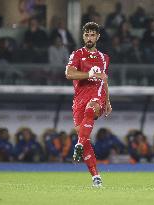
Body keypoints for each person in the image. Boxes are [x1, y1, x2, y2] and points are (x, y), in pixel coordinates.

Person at [65, 22, 112, 187]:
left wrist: (107, 101)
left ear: (97, 37)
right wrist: (88, 74)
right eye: (87, 35)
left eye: (92, 35)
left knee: (92, 108)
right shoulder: (77, 54)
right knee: (84, 139)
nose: (89, 38)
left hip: (95, 95)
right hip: (79, 99)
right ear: (83, 36)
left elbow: (104, 79)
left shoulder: (104, 58)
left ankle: (78, 143)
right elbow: (69, 74)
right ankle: (96, 177)